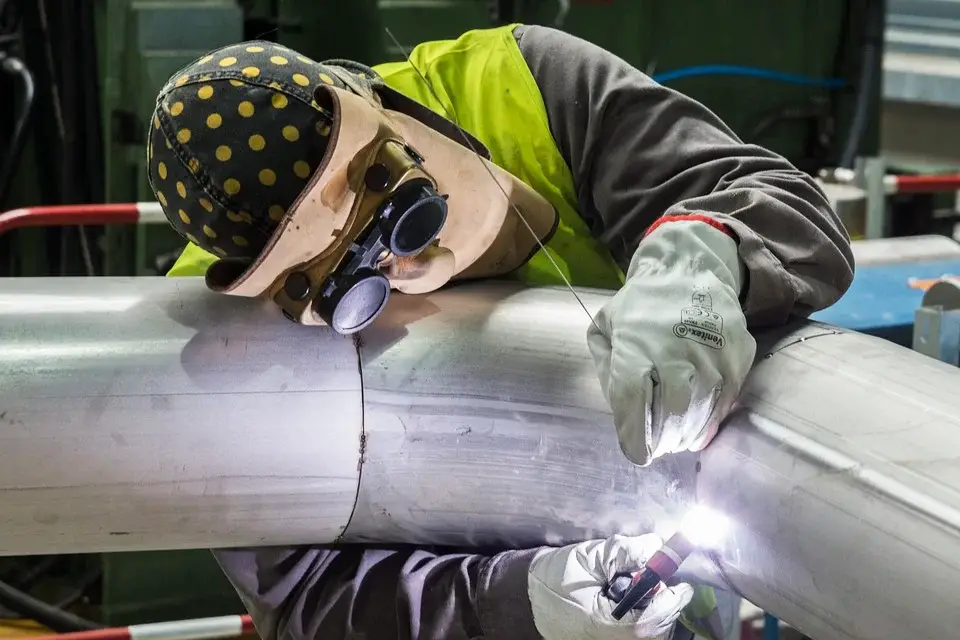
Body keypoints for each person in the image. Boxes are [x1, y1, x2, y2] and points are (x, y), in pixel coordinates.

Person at [147, 22, 853, 640]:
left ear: (384, 105)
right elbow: (304, 596)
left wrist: (709, 251)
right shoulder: (228, 336)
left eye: (406, 212)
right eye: (351, 285)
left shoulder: (526, 82)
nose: (409, 264)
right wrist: (519, 604)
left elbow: (787, 206)